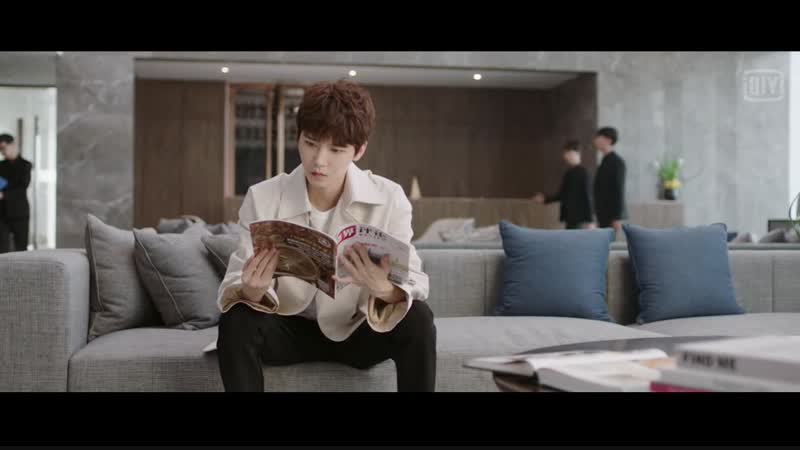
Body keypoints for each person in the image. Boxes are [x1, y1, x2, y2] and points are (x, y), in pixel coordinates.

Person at [214, 80, 435, 392]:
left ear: (359, 150)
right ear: (299, 138)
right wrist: (252, 291)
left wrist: (384, 289)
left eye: (336, 150)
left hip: (356, 331)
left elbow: (416, 281)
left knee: (419, 319)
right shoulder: (263, 197)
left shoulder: (390, 198)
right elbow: (235, 280)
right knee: (237, 320)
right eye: (311, 143)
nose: (319, 160)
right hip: (287, 329)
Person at [533, 140, 595, 229]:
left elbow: (588, 196)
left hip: (579, 219)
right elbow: (562, 194)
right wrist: (545, 199)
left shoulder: (584, 173)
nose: (565, 156)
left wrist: (590, 220)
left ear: (577, 153)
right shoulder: (569, 173)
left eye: (568, 153)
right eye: (565, 153)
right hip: (570, 217)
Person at [0, 134, 32, 253]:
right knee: (2, 247)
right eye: (0, 149)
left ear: (13, 145)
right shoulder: (1, 166)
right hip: (2, 213)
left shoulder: (25, 165)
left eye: (4, 148)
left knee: (21, 248)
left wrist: (4, 194)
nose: (2, 152)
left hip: (20, 212)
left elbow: (22, 187)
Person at [592, 127, 627, 233]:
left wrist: (617, 217)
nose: (595, 140)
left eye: (598, 137)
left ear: (608, 140)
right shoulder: (604, 161)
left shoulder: (617, 162)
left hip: (611, 216)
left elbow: (619, 190)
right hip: (602, 214)